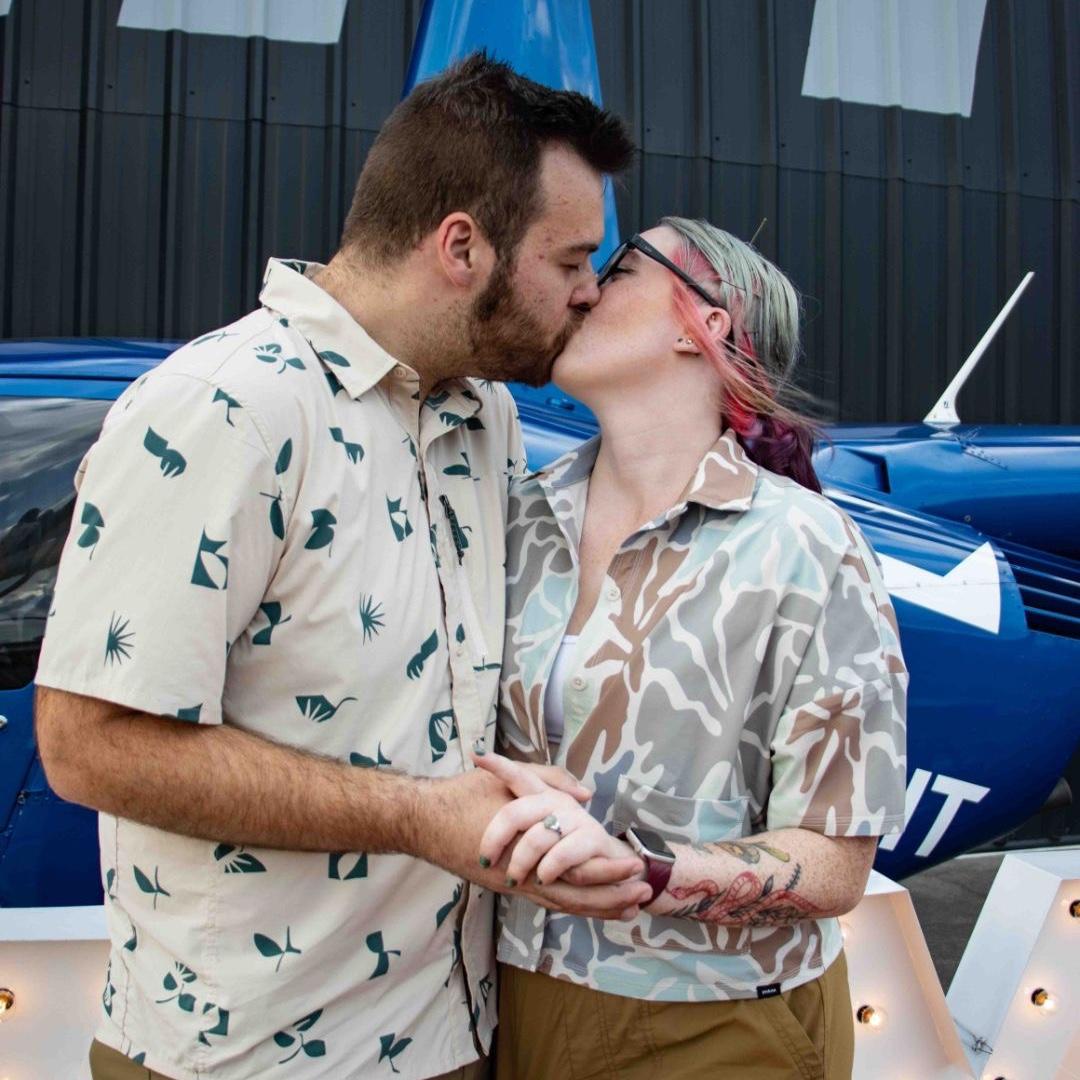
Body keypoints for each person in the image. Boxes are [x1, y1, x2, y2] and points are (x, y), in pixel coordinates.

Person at [33, 54, 649, 1080]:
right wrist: (419, 816)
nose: (591, 292)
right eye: (573, 259)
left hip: (455, 1037)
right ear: (462, 245)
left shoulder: (483, 414)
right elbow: (88, 747)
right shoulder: (224, 410)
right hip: (247, 1061)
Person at [477, 220, 908, 1079]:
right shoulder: (513, 516)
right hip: (509, 996)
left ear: (703, 324)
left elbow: (836, 864)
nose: (584, 288)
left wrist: (646, 872)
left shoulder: (808, 550)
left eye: (621, 268)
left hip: (717, 1024)